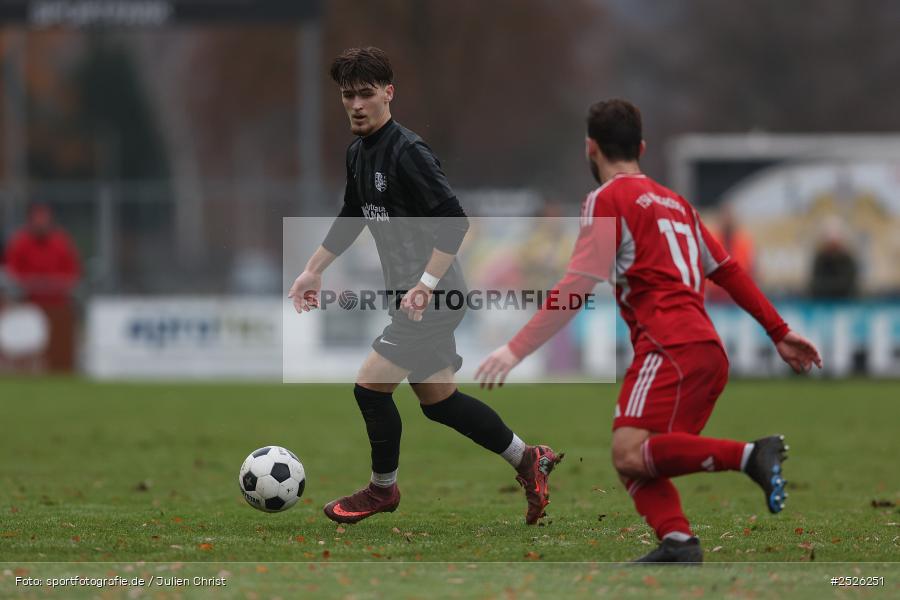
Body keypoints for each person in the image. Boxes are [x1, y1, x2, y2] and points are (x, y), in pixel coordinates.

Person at [476, 99, 822, 563]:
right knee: (639, 455)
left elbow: (578, 283)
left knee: (629, 452)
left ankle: (751, 455)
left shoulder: (606, 199)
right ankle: (678, 542)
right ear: (641, 146)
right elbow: (728, 269)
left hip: (668, 347)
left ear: (590, 148)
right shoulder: (677, 203)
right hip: (707, 352)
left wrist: (516, 349)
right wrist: (778, 332)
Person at [288, 47, 562, 526]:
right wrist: (314, 268)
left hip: (432, 298)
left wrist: (426, 284)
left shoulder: (408, 151)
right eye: (347, 95)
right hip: (411, 296)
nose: (356, 104)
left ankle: (381, 490)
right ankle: (527, 458)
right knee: (440, 403)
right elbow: (354, 214)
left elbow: (455, 223)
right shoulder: (357, 152)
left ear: (389, 93)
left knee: (370, 389)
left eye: (366, 94)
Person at [809, 217, 858, 299]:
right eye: (830, 243)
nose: (832, 246)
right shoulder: (820, 260)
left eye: (835, 243)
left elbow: (849, 285)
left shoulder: (848, 261)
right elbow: (816, 285)